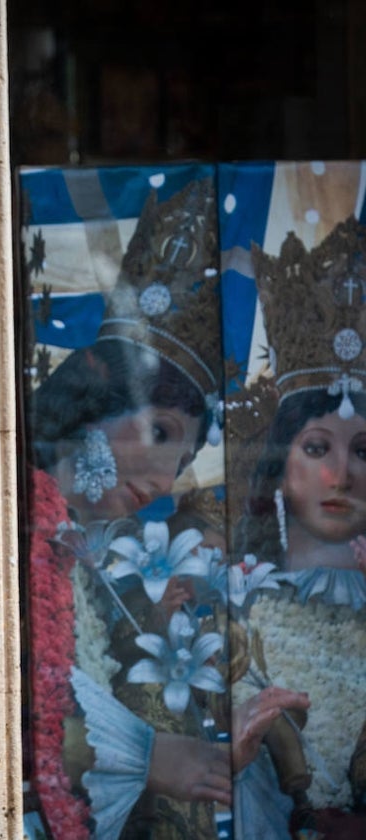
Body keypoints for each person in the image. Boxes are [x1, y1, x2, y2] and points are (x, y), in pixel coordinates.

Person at [24, 178, 303, 840]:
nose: (164, 477)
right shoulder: (26, 525)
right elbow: (26, 723)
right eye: (158, 434)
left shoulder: (82, 557)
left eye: (180, 462)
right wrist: (153, 756)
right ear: (97, 403)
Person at [227, 219, 366, 839]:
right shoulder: (240, 602)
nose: (341, 474)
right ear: (280, 467)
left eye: (364, 450)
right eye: (317, 448)